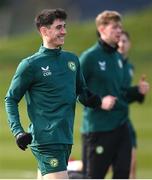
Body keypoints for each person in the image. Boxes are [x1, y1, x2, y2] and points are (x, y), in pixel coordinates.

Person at [5, 9, 116, 179]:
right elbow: (11, 99)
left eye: (64, 26)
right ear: (44, 31)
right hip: (46, 140)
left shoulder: (71, 60)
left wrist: (98, 101)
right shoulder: (30, 65)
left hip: (65, 137)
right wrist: (18, 131)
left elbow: (83, 93)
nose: (64, 31)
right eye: (58, 27)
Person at [79, 10, 149, 179]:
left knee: (123, 175)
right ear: (102, 29)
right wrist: (99, 102)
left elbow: (120, 93)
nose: (119, 31)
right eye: (115, 27)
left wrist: (137, 91)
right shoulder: (89, 57)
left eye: (120, 27)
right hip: (99, 128)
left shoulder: (118, 58)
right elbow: (77, 90)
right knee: (94, 177)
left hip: (121, 125)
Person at [118, 30, 146, 179]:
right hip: (108, 121)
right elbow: (116, 94)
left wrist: (139, 92)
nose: (121, 44)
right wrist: (135, 90)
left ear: (130, 44)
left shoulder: (129, 67)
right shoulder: (110, 64)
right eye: (119, 41)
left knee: (131, 165)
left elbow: (125, 96)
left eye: (124, 41)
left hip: (125, 119)